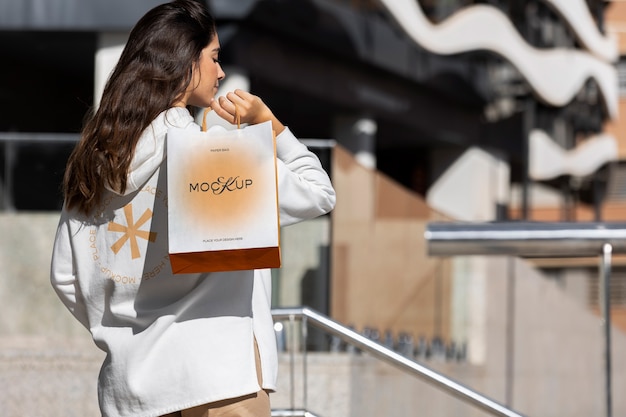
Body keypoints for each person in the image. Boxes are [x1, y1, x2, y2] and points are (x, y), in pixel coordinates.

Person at [49, 1, 336, 416]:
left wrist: (125, 330)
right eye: (214, 58)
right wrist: (269, 127)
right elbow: (319, 192)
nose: (220, 73)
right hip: (218, 376)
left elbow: (65, 278)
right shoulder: (211, 154)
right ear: (184, 61)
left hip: (131, 390)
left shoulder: (93, 166)